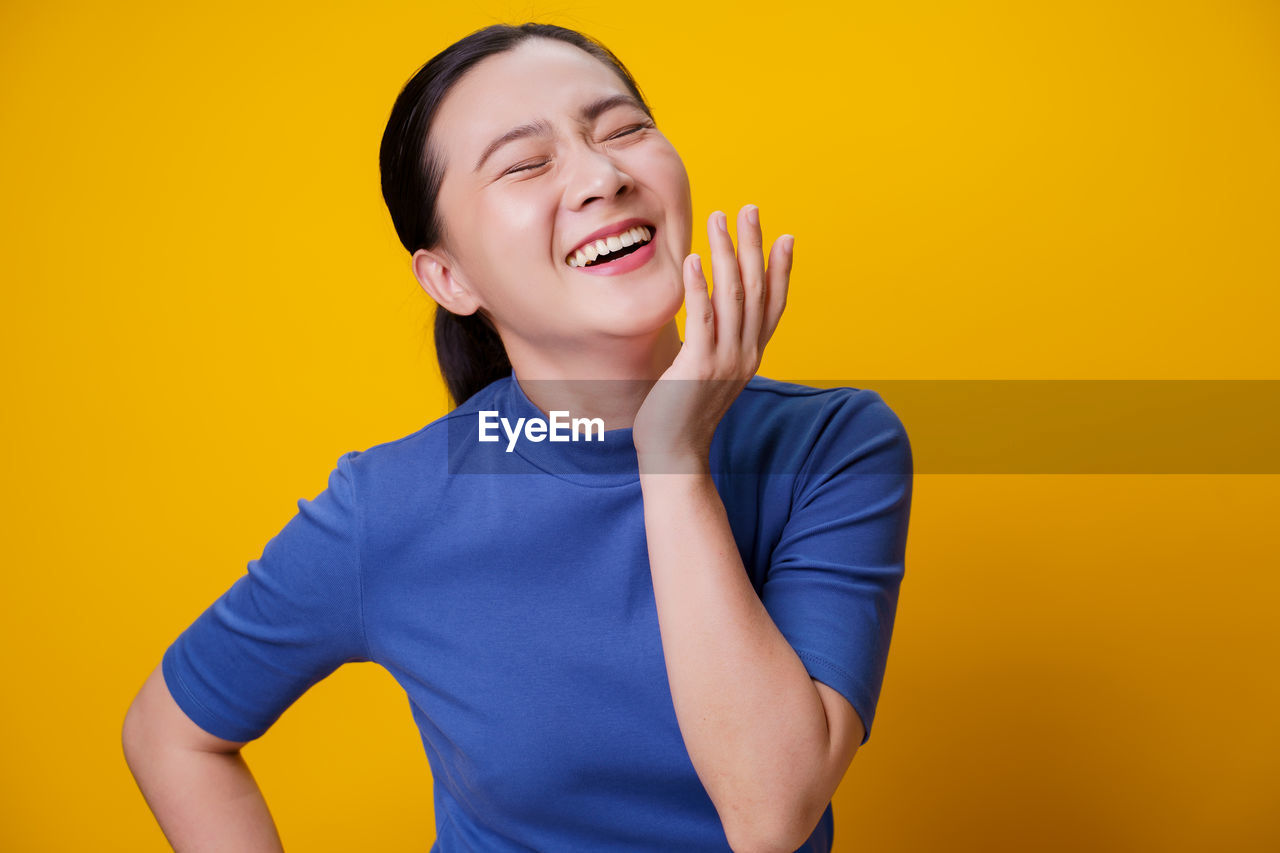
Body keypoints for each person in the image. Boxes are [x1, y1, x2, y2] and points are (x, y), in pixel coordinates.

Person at [122, 22, 913, 853]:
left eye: (623, 130)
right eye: (527, 164)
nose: (603, 177)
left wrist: (673, 459)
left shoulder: (832, 445)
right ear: (449, 278)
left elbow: (771, 812)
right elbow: (169, 733)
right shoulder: (391, 504)